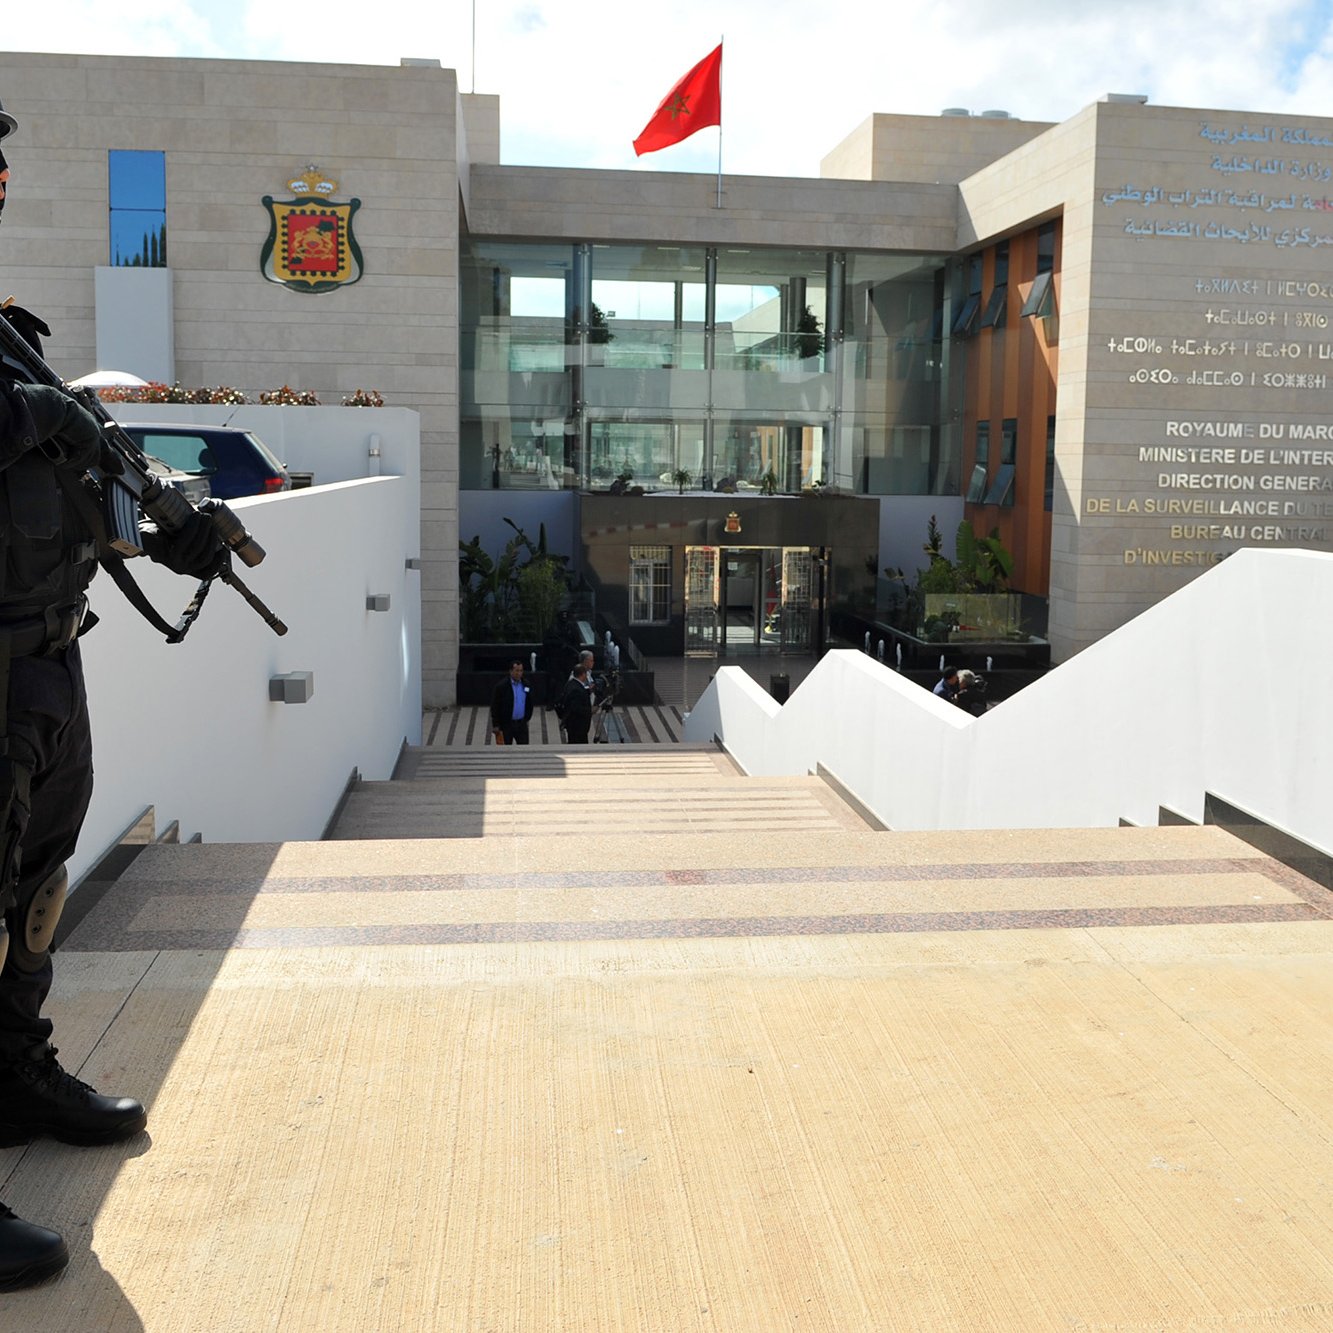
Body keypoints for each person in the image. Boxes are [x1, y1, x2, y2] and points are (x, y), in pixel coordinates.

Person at [0, 98, 227, 1291]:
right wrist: (45, 413)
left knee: (34, 887)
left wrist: (169, 530)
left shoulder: (10, 336)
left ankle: (14, 1075)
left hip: (41, 651)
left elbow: (73, 469)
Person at [489, 659, 532, 745]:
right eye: (516, 671)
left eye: (521, 671)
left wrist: (527, 717)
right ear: (511, 671)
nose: (519, 673)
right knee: (505, 748)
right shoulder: (501, 686)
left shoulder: (526, 684)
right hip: (507, 724)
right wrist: (496, 724)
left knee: (524, 748)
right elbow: (495, 706)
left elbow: (529, 702)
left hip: (521, 724)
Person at [558, 664, 594, 744]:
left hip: (574, 725)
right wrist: (589, 711)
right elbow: (576, 707)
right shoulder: (576, 689)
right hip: (577, 726)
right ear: (583, 674)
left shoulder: (571, 684)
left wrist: (588, 691)